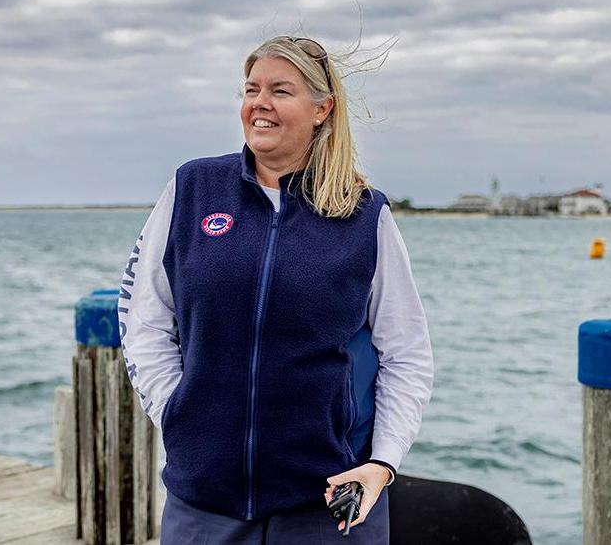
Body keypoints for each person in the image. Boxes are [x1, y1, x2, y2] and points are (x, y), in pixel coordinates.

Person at [117, 35, 434, 544]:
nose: (259, 103)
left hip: (332, 504)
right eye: (251, 89)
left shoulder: (363, 214)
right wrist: (178, 414)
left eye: (281, 91)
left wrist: (382, 462)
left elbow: (405, 353)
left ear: (321, 109)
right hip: (205, 502)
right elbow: (144, 319)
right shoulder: (192, 189)